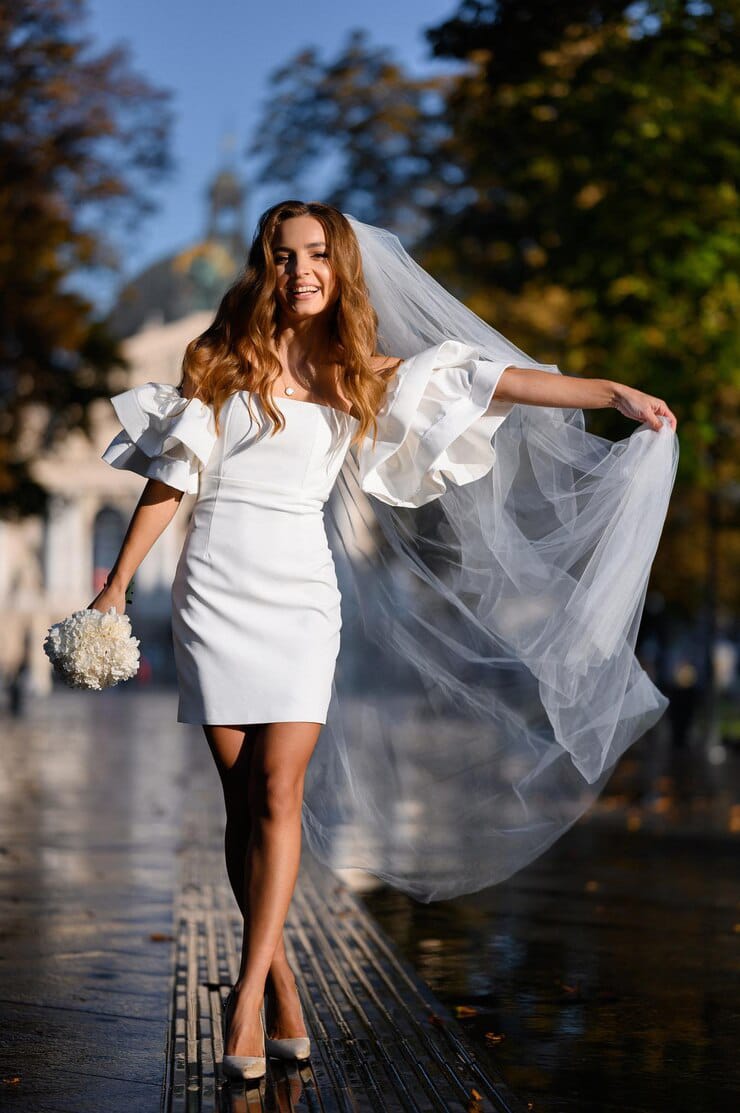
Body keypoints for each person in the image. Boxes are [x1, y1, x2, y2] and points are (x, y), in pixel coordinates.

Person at [91, 199, 678, 1080]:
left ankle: (245, 1000)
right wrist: (110, 592)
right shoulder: (216, 361)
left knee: (281, 793)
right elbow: (170, 483)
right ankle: (281, 981)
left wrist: (610, 392)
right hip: (214, 590)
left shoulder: (358, 372)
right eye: (284, 256)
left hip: (298, 598)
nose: (301, 271)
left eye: (317, 254)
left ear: (340, 267)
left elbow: (493, 381)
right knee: (242, 805)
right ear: (266, 265)